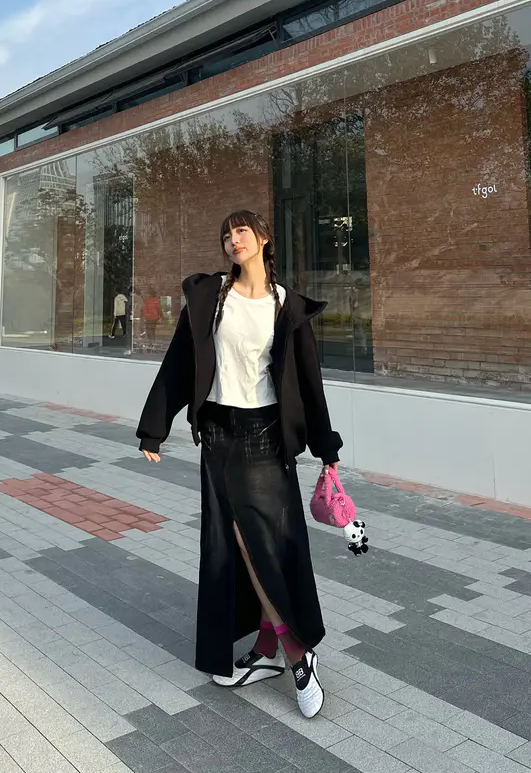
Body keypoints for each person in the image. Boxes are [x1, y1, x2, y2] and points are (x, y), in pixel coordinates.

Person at [137, 210, 341, 719]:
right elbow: (180, 361)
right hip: (218, 433)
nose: (233, 240)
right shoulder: (211, 297)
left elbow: (309, 381)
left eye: (241, 231)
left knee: (260, 545)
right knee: (229, 542)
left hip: (265, 435)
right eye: (226, 235)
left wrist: (326, 448)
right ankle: (269, 649)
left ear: (263, 238)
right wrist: (154, 426)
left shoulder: (285, 305)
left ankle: (297, 653)